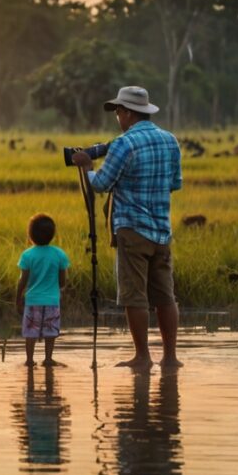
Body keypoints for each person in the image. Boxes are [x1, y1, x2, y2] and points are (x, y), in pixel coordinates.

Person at [72, 86, 182, 369]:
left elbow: (100, 184)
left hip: (133, 229)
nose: (117, 116)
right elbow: (174, 184)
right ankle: (170, 357)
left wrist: (86, 165)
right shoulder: (170, 141)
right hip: (162, 230)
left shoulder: (124, 143)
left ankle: (142, 356)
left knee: (136, 295)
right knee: (165, 295)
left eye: (118, 111)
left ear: (128, 113)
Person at [15, 214, 70, 367]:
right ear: (52, 235)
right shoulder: (59, 254)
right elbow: (62, 281)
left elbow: (22, 281)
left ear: (30, 235)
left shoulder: (27, 255)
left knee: (30, 332)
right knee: (51, 331)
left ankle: (30, 360)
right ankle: (48, 358)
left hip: (32, 301)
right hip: (52, 301)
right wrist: (58, 289)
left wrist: (18, 299)